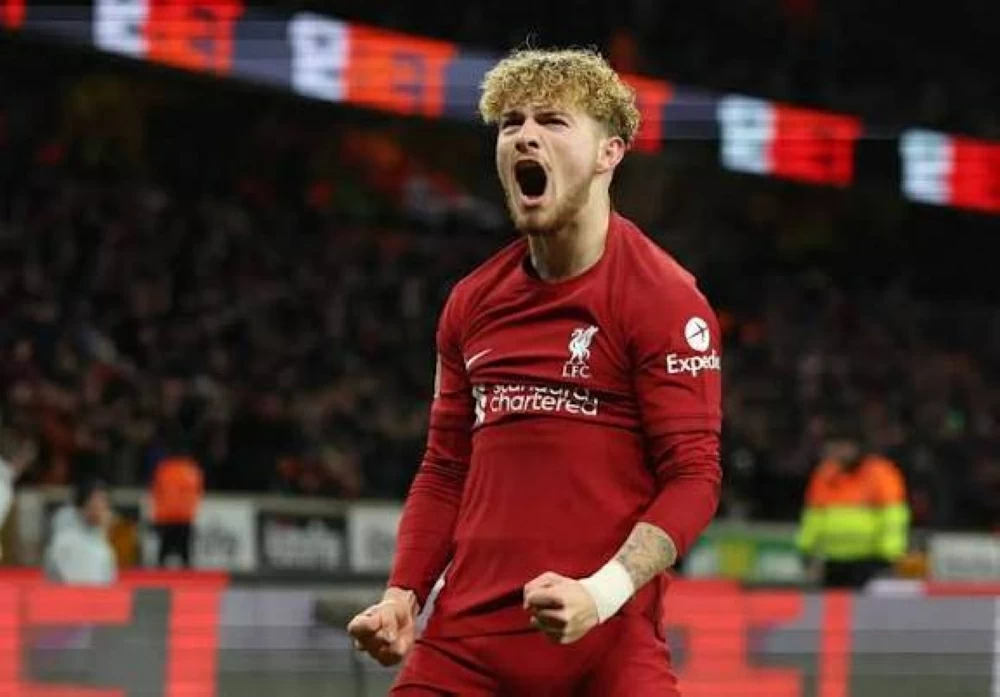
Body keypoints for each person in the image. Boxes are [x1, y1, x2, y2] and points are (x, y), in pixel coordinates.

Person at [347, 48, 723, 696]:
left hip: (604, 647)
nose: (524, 135)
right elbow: (445, 469)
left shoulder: (664, 299)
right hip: (465, 647)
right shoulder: (472, 303)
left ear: (609, 152)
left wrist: (599, 594)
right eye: (510, 123)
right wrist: (403, 594)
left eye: (552, 121)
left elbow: (694, 478)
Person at [796, 426, 910, 589]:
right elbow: (814, 517)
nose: (836, 452)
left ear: (857, 447)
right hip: (833, 559)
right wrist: (806, 548)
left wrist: (889, 554)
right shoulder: (825, 473)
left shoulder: (879, 473)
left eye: (841, 446)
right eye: (833, 446)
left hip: (869, 560)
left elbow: (893, 517)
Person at [44, 478, 117, 585]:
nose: (103, 509)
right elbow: (84, 586)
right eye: (98, 501)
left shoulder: (103, 546)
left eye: (105, 503)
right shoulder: (68, 541)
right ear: (84, 504)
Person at [150, 442, 204, 568]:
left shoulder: (164, 469)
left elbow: (156, 492)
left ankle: (160, 573)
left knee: (163, 551)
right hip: (184, 516)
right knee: (185, 552)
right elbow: (197, 492)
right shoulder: (191, 469)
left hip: (166, 516)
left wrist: (158, 514)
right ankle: (187, 574)